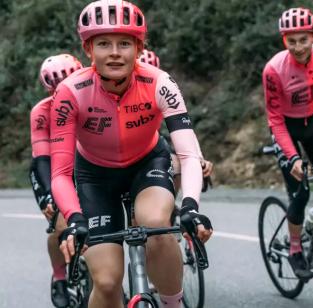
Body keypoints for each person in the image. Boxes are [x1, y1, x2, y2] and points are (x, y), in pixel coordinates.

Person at [49, 1, 212, 307]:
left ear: (138, 48)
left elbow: (188, 155)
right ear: (88, 49)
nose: (114, 52)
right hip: (94, 177)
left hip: (147, 163)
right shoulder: (70, 92)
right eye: (103, 43)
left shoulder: (160, 83)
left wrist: (189, 205)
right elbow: (59, 173)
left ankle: (172, 303)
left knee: (156, 224)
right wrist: (74, 218)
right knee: (108, 282)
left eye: (124, 43)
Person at [262, 7, 313, 281]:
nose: (297, 47)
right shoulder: (274, 69)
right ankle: (295, 249)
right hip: (286, 128)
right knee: (301, 193)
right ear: (284, 40)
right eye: (291, 41)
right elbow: (274, 119)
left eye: (303, 39)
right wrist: (294, 158)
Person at [29, 53, 83, 308]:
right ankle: (59, 277)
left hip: (83, 165)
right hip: (49, 167)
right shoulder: (41, 111)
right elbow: (42, 158)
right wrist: (50, 194)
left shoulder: (96, 98)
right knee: (59, 222)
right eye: (57, 88)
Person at [138, 48, 215, 193]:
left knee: (178, 164)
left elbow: (183, 130)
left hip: (155, 150)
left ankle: (170, 206)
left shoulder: (162, 91)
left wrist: (198, 158)